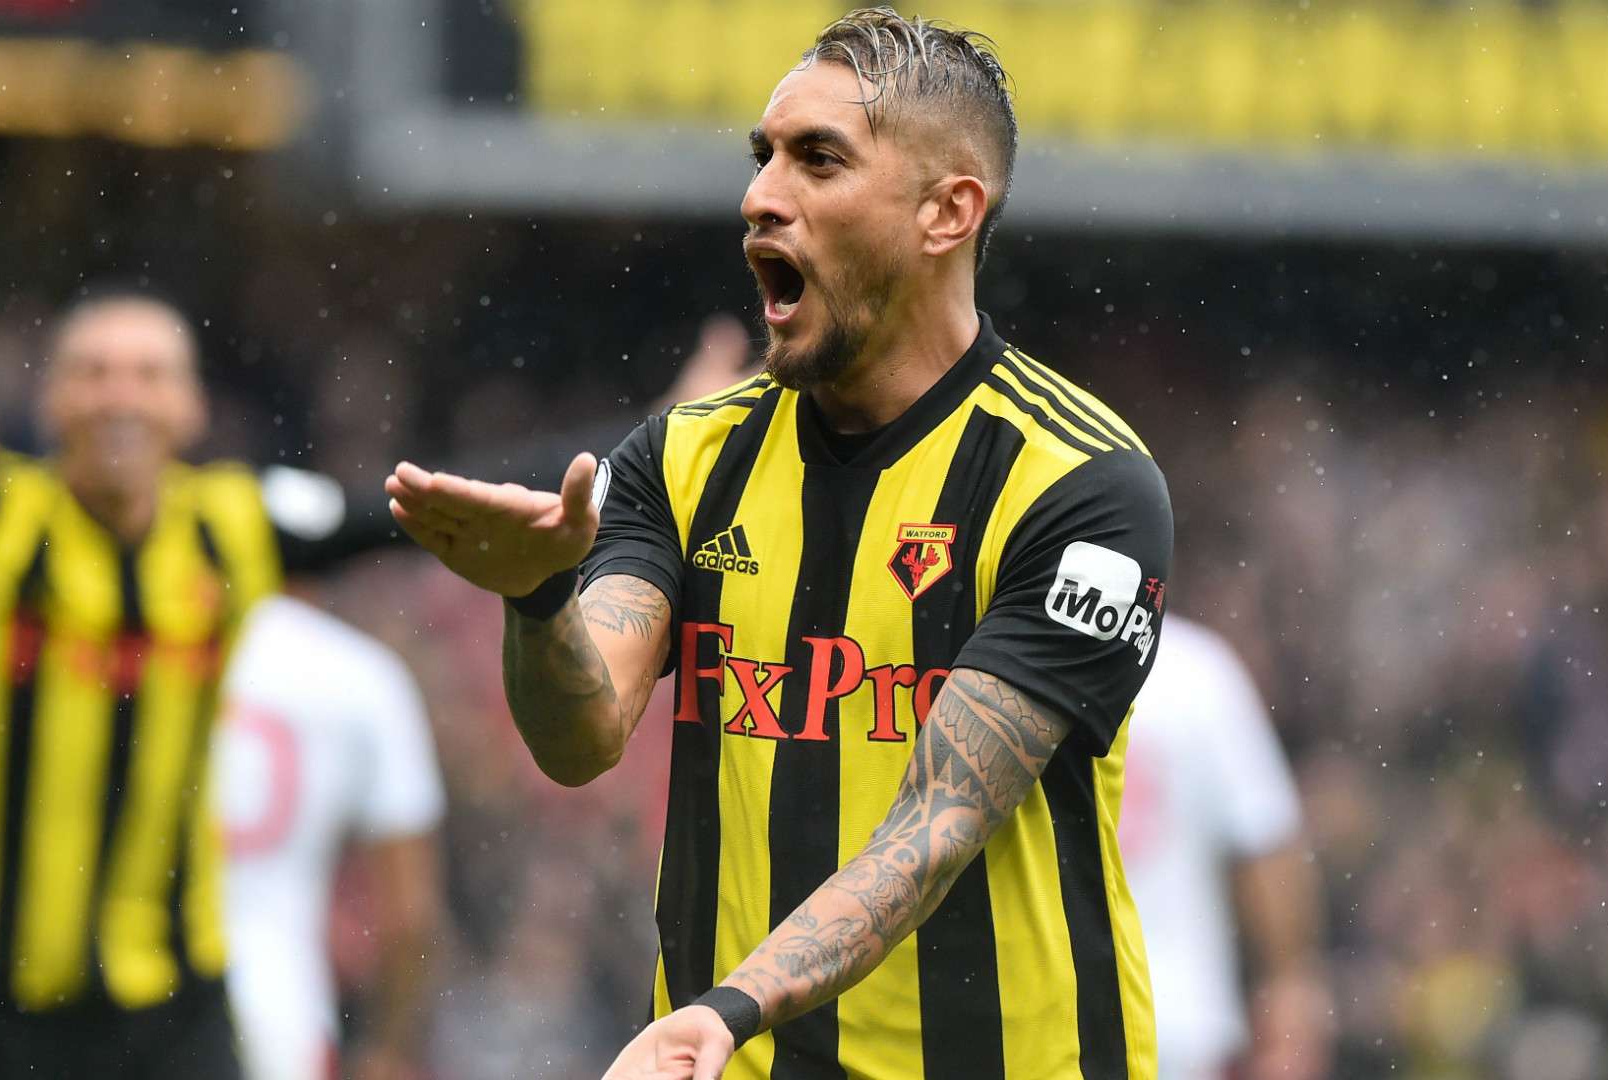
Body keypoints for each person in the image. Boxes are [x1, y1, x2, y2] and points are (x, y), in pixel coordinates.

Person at [385, 9, 1173, 1079]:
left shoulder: (1081, 486)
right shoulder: (685, 457)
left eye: (819, 160)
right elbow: (581, 740)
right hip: (729, 1059)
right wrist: (535, 599)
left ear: (948, 212)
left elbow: (938, 826)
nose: (760, 197)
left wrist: (732, 1003)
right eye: (764, 158)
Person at [0, 288, 402, 1079]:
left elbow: (425, 511)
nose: (120, 395)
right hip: (0, 1011)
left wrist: (597, 477)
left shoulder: (234, 528)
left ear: (190, 407)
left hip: (175, 1008)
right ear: (51, 399)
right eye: (93, 372)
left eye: (148, 373)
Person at [212, 585, 446, 1080]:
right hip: (283, 1010)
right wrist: (390, 1047)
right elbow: (409, 916)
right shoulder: (361, 675)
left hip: (140, 997)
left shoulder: (167, 647)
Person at [1120, 618, 1334, 1080]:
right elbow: (1266, 842)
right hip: (1176, 1018)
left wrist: (1289, 987)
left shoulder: (998, 655)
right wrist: (1289, 985)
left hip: (1041, 1015)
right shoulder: (1194, 670)